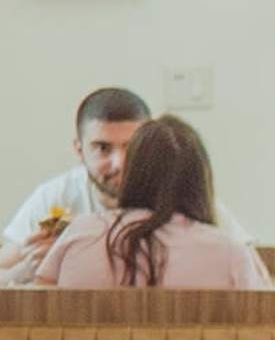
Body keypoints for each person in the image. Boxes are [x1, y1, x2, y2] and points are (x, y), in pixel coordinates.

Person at [37, 113, 261, 291]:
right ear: (201, 180)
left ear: (132, 172)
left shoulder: (79, 234)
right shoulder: (230, 253)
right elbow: (265, 317)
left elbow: (40, 307)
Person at [0, 84, 150, 282]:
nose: (118, 163)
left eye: (132, 147)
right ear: (79, 150)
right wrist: (27, 270)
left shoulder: (167, 193)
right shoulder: (58, 201)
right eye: (103, 148)